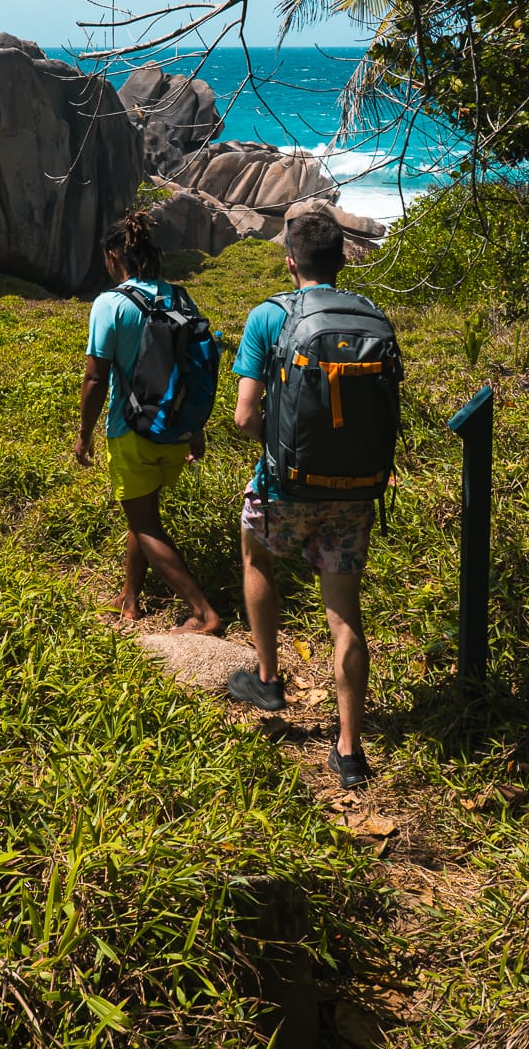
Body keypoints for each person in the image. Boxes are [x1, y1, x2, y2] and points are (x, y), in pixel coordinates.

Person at [227, 210, 381, 788]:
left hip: (285, 486)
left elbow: (245, 417)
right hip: (353, 491)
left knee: (257, 554)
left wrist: (282, 440)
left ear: (289, 261)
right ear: (342, 260)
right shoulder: (369, 315)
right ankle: (348, 751)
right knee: (344, 614)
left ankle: (268, 679)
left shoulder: (270, 315)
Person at [74, 209, 223, 637]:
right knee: (143, 513)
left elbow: (95, 376)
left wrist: (84, 435)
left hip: (131, 430)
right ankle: (130, 597)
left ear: (113, 255)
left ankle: (203, 612)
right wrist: (195, 429)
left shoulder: (110, 303)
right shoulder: (179, 297)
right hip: (174, 430)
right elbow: (192, 368)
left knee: (143, 521)